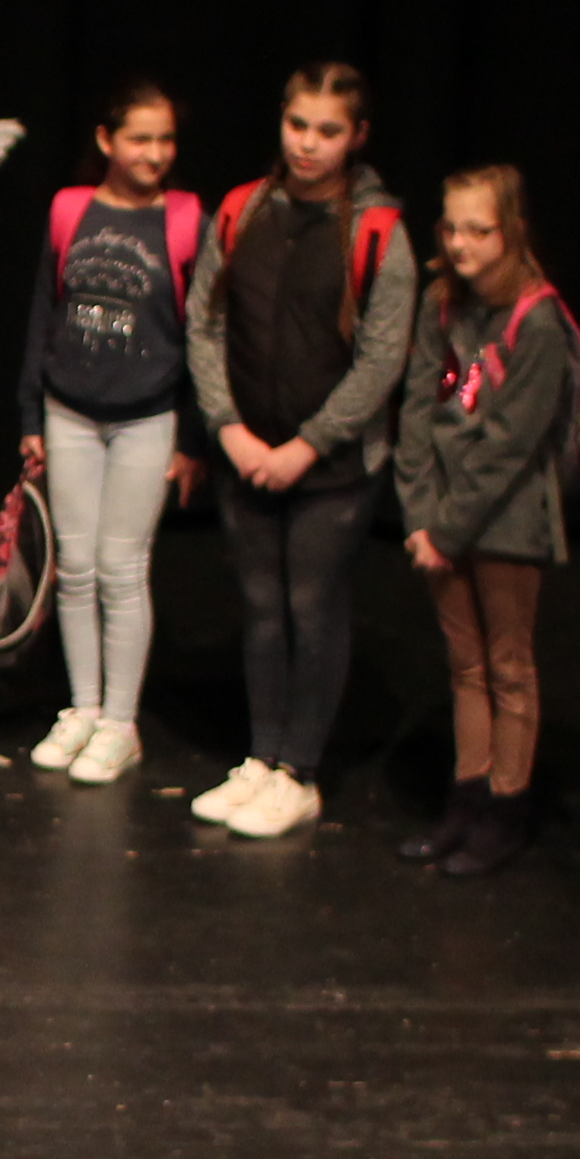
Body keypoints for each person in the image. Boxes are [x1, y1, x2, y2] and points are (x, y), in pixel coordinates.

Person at [185, 62, 417, 839]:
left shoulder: (377, 232)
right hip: (247, 450)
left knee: (311, 606)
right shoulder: (242, 210)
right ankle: (262, 757)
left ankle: (300, 772)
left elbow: (381, 362)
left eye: (327, 131)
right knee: (259, 605)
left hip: (334, 468)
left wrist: (307, 446)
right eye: (297, 125)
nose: (308, 144)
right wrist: (228, 427)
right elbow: (206, 324)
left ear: (357, 137)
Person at [392, 163, 580, 879]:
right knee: (465, 665)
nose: (462, 244)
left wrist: (445, 530)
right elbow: (416, 409)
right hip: (440, 517)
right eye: (453, 228)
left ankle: (506, 807)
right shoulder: (441, 302)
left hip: (505, 522)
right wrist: (419, 515)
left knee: (507, 666)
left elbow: (509, 445)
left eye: (480, 230)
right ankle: (465, 799)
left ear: (512, 233)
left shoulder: (539, 322)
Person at [11, 77, 204, 786]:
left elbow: (203, 334)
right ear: (106, 140)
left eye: (165, 139)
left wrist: (193, 440)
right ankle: (84, 709)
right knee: (75, 568)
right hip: (69, 410)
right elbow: (45, 309)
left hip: (145, 415)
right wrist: (30, 413)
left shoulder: (186, 218)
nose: (154, 153)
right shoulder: (71, 208)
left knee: (122, 570)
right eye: (139, 138)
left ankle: (121, 724)